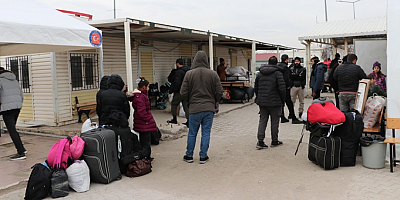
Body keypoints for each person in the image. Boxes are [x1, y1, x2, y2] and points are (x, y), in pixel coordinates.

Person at [180, 51, 223, 164]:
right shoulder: (213, 74)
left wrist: (190, 101)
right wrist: (215, 101)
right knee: (206, 133)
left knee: (192, 133)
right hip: (209, 108)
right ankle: (203, 157)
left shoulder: (189, 74)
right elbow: (219, 91)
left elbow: (183, 92)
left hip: (194, 108)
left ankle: (189, 156)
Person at [255, 56, 286, 149]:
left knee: (262, 120)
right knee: (275, 121)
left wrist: (259, 97)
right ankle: (274, 141)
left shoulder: (260, 74)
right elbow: (282, 89)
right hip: (275, 102)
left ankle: (260, 141)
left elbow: (256, 87)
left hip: (262, 102)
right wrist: (282, 100)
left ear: (268, 63)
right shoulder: (278, 73)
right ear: (276, 64)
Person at [0, 67, 27, 160]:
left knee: (12, 131)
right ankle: (22, 148)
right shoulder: (13, 79)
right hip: (17, 107)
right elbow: (21, 94)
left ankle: (21, 152)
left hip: (7, 109)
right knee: (13, 129)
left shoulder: (0, 80)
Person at [130, 78, 157, 159]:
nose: (148, 88)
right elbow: (142, 112)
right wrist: (148, 119)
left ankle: (145, 157)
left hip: (141, 122)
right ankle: (146, 158)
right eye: (148, 87)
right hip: (144, 123)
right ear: (144, 87)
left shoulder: (138, 95)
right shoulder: (141, 97)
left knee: (143, 141)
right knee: (146, 142)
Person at [167, 59, 190, 126]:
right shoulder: (188, 71)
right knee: (186, 105)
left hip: (179, 91)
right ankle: (189, 121)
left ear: (177, 64)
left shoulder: (178, 72)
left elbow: (176, 82)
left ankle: (174, 119)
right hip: (187, 91)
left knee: (174, 104)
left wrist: (173, 90)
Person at [277, 54, 297, 123]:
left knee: (281, 102)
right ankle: (293, 116)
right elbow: (286, 78)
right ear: (286, 60)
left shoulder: (278, 67)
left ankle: (282, 116)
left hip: (279, 87)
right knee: (289, 102)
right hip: (285, 87)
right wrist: (288, 85)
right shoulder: (285, 68)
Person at [289, 57, 306, 121]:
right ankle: (291, 113)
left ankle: (300, 113)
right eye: (296, 61)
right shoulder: (291, 69)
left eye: (298, 61)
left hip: (300, 87)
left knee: (301, 101)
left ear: (300, 62)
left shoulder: (303, 69)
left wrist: (295, 76)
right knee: (292, 101)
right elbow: (290, 77)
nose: (297, 62)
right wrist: (298, 76)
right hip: (293, 86)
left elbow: (303, 78)